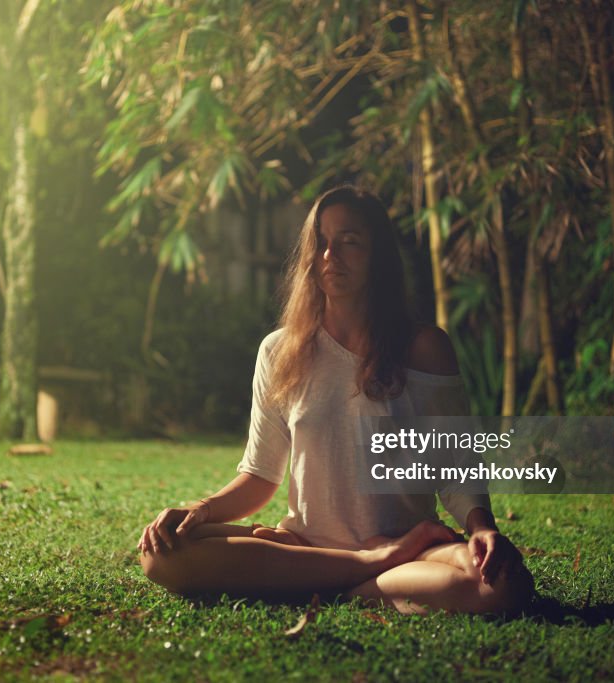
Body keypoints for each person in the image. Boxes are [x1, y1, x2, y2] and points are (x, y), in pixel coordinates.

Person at [138, 185, 535, 615]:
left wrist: (483, 529)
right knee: (164, 552)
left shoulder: (423, 348)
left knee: (503, 587)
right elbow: (259, 475)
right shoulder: (279, 350)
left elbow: (453, 465)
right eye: (321, 244)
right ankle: (362, 571)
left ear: (378, 255)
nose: (331, 256)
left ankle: (336, 583)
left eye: (349, 241)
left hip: (407, 548)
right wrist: (202, 508)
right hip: (304, 549)